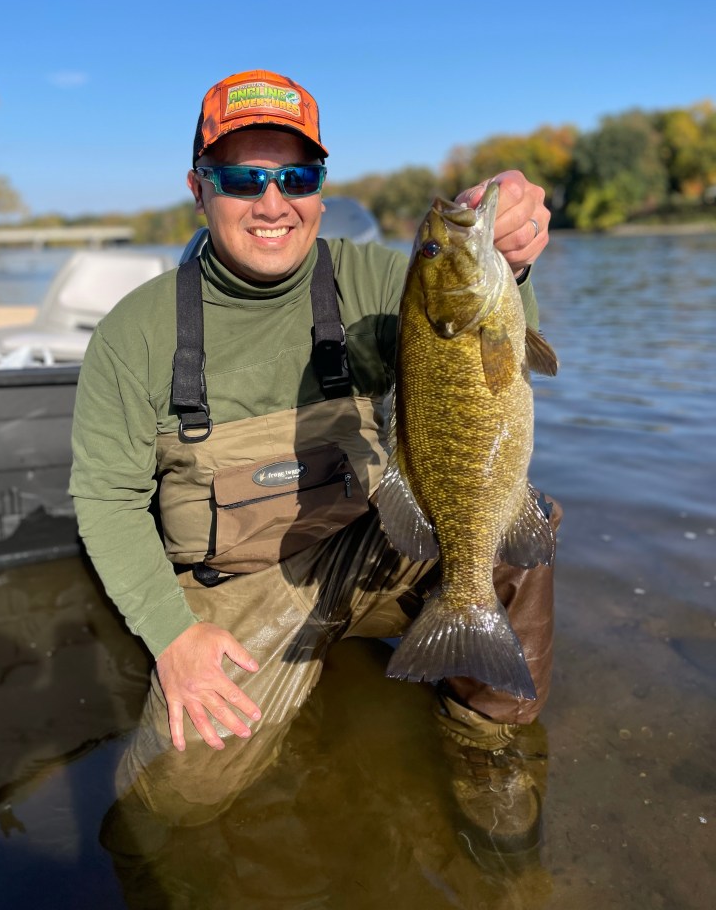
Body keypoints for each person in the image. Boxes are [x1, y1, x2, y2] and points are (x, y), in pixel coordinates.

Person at [70, 69, 559, 855]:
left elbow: (495, 359)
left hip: (366, 544)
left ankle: (485, 737)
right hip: (238, 587)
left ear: (321, 190)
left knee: (511, 522)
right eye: (243, 179)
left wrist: (511, 257)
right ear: (199, 189)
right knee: (171, 802)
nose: (273, 203)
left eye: (296, 177)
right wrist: (171, 637)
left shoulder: (379, 281)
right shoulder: (136, 334)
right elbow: (105, 500)